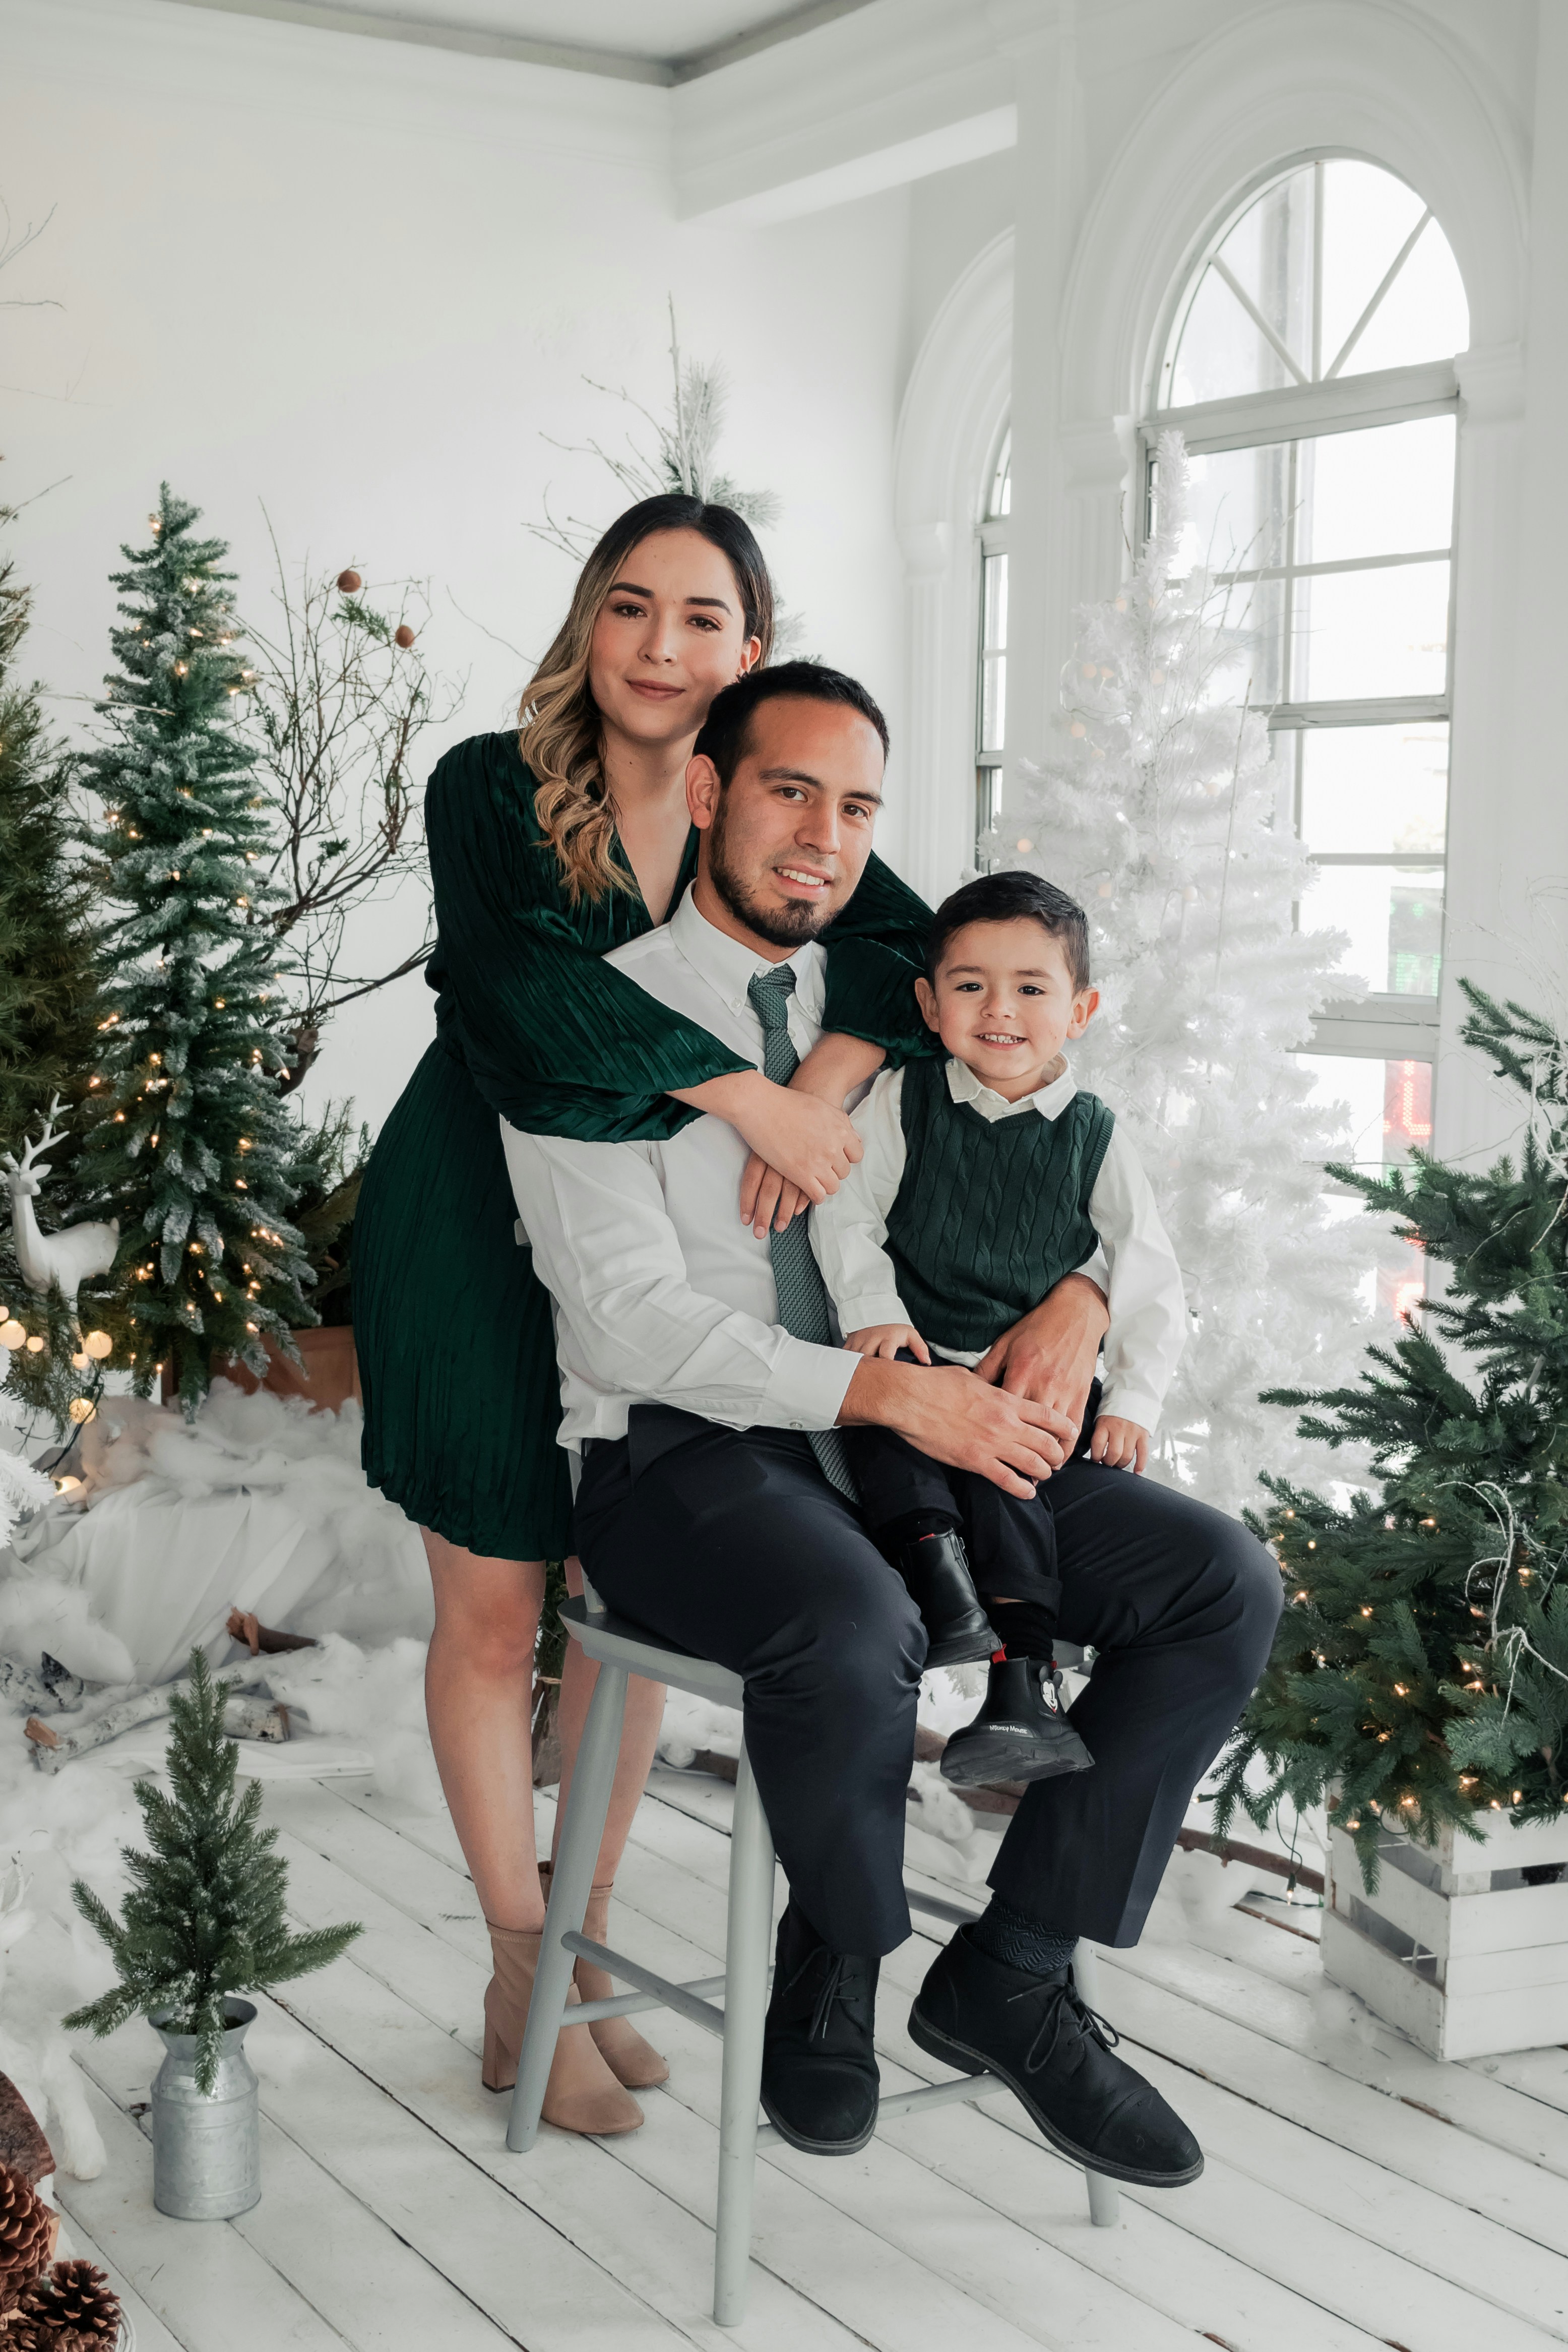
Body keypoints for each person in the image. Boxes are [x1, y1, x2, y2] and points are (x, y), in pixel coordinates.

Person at [502, 660, 1282, 2186]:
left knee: (1218, 1581)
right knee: (857, 1618)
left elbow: (1039, 1170)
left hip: (921, 1429)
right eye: (789, 788)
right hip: (682, 1453)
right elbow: (621, 1322)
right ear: (711, 791)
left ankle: (1016, 1972)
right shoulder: (588, 1021)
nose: (825, 833)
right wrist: (877, 1388)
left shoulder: (903, 999)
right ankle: (838, 1957)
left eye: (858, 805)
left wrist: (1088, 1296)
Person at [352, 498, 944, 2137]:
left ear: (747, 650)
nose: (662, 647)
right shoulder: (491, 786)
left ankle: (583, 1960)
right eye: (631, 607)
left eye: (702, 618)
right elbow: (517, 994)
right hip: (476, 1218)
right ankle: (515, 1964)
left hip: (657, 1242)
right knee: (493, 1618)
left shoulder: (761, 786)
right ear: (587, 622)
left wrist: (826, 1070)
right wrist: (750, 1094)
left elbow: (909, 939)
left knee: (627, 1593)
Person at [810, 868, 1186, 1790]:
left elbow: (1150, 1275)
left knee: (1015, 1484)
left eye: (1031, 987)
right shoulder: (908, 1099)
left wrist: (1133, 1398)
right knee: (891, 1443)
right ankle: (941, 1589)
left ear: (1082, 1007)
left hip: (1022, 1375)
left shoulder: (1095, 1133)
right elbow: (846, 1214)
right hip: (918, 1351)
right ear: (929, 1004)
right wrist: (875, 1316)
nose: (1000, 1011)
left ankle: (1020, 1688)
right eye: (970, 986)